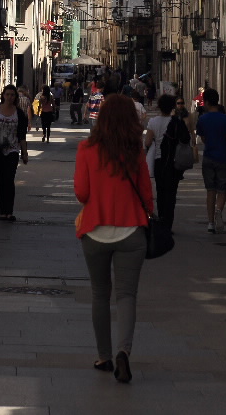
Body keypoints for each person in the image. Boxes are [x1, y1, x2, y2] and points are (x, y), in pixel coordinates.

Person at [74, 93, 153, 383]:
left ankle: (104, 356)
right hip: (131, 230)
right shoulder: (135, 150)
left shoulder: (86, 148)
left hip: (95, 231)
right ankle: (123, 352)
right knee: (127, 295)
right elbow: (146, 192)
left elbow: (81, 192)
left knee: (99, 294)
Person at [0, 83, 28, 220]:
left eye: (12, 95)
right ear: (3, 95)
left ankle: (10, 212)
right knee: (1, 180)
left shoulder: (19, 113)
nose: (10, 97)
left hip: (12, 150)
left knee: (9, 180)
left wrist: (24, 153)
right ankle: (2, 212)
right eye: (7, 94)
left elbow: (22, 136)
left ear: (15, 97)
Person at [196, 88, 226, 233]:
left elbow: (202, 138)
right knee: (222, 189)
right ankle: (219, 211)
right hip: (223, 158)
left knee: (210, 190)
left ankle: (210, 223)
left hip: (208, 157)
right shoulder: (225, 118)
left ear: (207, 102)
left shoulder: (202, 119)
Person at [144, 94, 189, 230]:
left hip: (159, 161)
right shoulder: (176, 121)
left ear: (159, 106)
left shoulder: (153, 122)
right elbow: (184, 139)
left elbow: (147, 142)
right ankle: (168, 223)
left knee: (161, 191)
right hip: (174, 161)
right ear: (173, 107)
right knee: (171, 193)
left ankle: (161, 219)